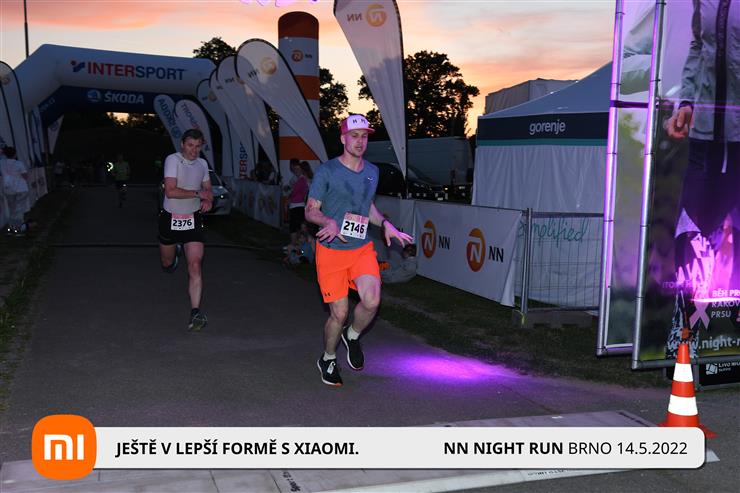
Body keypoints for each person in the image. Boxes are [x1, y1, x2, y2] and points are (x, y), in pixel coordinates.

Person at [305, 114, 413, 386]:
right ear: (343, 139)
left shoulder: (372, 172)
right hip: (331, 251)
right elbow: (310, 210)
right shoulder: (327, 171)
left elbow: (368, 208)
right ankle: (328, 358)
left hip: (361, 248)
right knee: (339, 313)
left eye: (364, 136)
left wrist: (386, 224)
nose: (360, 141)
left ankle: (352, 335)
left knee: (372, 301)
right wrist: (328, 221)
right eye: (354, 136)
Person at [664, 1, 740, 358]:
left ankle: (731, 332)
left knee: (735, 228)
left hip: (738, 139)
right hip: (705, 134)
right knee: (691, 226)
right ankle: (686, 332)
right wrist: (686, 102)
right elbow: (699, 48)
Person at [158, 129, 214, 331]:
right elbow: (170, 191)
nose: (194, 150)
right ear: (182, 144)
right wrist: (199, 194)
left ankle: (195, 313)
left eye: (198, 146)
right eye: (190, 145)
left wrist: (208, 200)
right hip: (170, 218)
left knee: (195, 265)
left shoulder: (202, 164)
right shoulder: (172, 160)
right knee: (166, 263)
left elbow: (208, 190)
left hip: (192, 219)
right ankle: (174, 255)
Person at [0, 146, 30, 235]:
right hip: (21, 189)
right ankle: (18, 230)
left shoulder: (1, 163)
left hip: (8, 189)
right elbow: (25, 176)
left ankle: (11, 229)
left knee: (12, 210)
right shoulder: (19, 163)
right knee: (19, 210)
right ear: (15, 154)